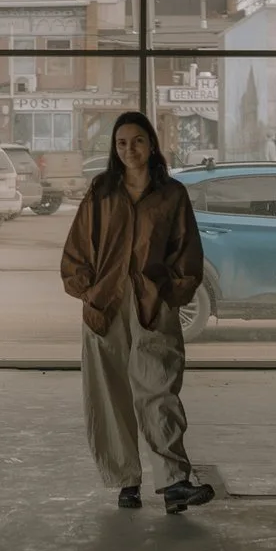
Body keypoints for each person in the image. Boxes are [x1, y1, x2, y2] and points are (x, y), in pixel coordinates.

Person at [59, 110, 214, 514]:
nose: (130, 150)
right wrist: (87, 290)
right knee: (109, 395)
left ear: (152, 145)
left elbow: (188, 250)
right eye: (121, 143)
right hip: (105, 304)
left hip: (152, 300)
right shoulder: (102, 191)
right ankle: (125, 481)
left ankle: (175, 480)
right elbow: (77, 248)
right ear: (115, 148)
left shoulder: (171, 194)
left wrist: (173, 293)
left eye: (138, 141)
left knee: (159, 387)